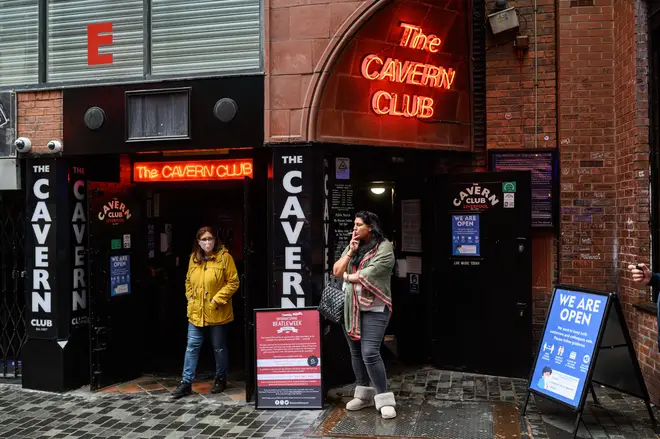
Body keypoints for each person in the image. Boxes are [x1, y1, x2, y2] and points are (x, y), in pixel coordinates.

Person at [332, 211, 397, 419]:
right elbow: (336, 270)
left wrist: (349, 276)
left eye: (359, 225)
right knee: (356, 353)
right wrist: (350, 252)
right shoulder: (354, 245)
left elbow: (374, 271)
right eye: (354, 224)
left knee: (370, 352)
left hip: (375, 308)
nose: (354, 228)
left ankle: (384, 397)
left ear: (371, 227)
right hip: (351, 307)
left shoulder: (385, 246)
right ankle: (363, 394)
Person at [171, 226, 240, 399]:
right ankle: (186, 383)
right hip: (196, 312)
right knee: (192, 347)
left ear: (215, 240)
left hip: (217, 311)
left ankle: (221, 378)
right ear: (198, 242)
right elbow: (188, 280)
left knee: (218, 347)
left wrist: (217, 299)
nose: (207, 242)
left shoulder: (225, 258)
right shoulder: (193, 259)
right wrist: (190, 298)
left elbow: (233, 282)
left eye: (210, 239)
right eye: (204, 240)